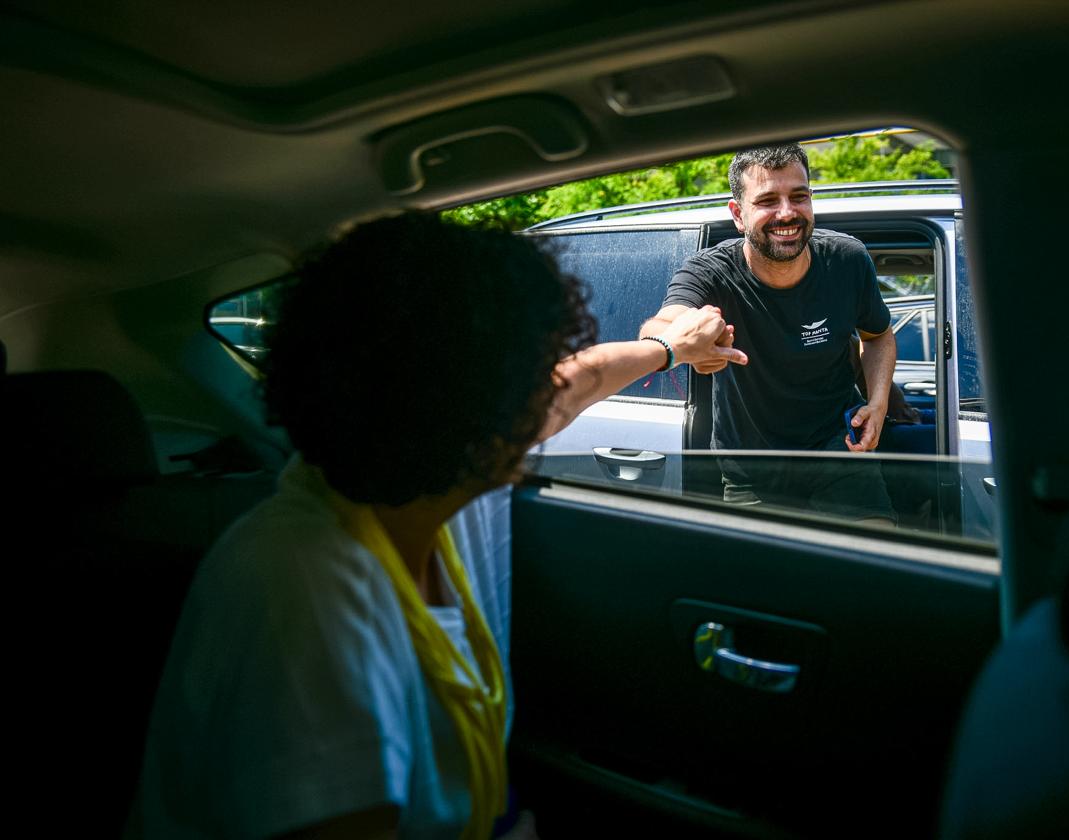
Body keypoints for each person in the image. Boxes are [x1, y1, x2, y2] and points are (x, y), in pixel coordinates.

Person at [126, 213, 746, 840]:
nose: (544, 394)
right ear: (452, 399)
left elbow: (580, 379)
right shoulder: (305, 589)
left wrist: (671, 350)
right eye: (522, 373)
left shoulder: (432, 473)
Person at [640, 143, 897, 523]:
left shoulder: (848, 260)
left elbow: (878, 336)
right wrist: (678, 346)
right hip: (751, 471)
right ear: (738, 215)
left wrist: (878, 404)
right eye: (767, 201)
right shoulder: (710, 272)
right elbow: (661, 325)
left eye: (799, 196)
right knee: (766, 580)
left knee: (870, 571)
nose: (787, 213)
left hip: (841, 450)